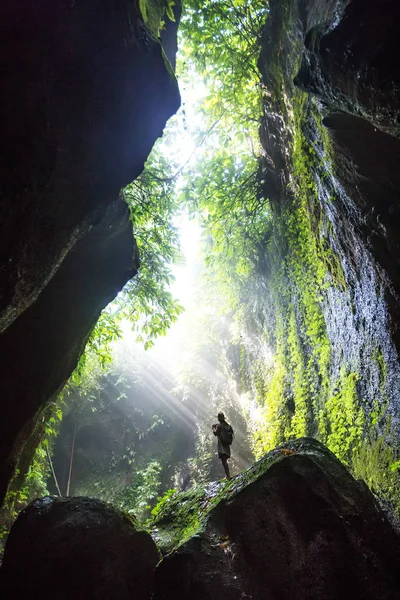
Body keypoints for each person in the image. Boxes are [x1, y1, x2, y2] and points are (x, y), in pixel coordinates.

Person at [212, 411, 234, 480]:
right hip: (226, 445)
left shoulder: (219, 425)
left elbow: (215, 433)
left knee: (223, 461)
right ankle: (227, 475)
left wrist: (213, 428)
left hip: (222, 446)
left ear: (218, 419)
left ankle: (228, 476)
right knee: (225, 460)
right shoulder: (227, 425)